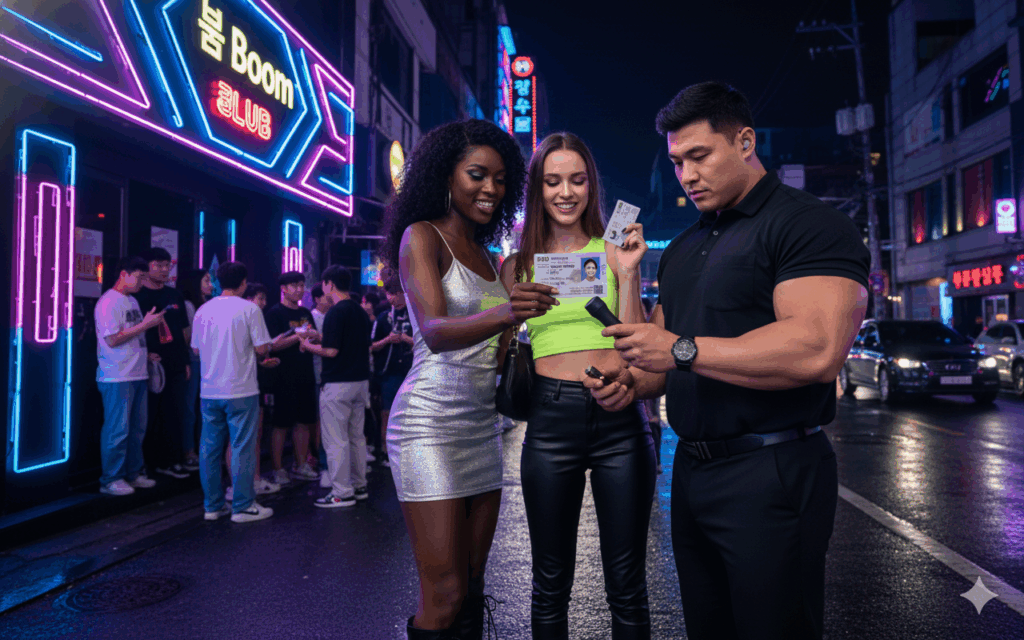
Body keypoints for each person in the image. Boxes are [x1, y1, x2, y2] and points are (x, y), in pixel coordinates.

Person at [591, 81, 870, 640]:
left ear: (745, 141)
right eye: (676, 162)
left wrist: (681, 351)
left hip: (772, 467)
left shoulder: (808, 224)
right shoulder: (688, 246)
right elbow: (655, 363)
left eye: (699, 156)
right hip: (693, 472)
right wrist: (627, 292)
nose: (687, 175)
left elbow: (816, 349)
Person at [381, 119, 548, 640]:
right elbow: (432, 330)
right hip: (428, 424)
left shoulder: (489, 256)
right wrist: (506, 313)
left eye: (500, 180)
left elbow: (499, 350)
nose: (491, 190)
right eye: (477, 175)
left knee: (473, 586)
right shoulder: (421, 236)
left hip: (482, 428)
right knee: (446, 592)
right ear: (444, 175)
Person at [500, 132, 655, 640]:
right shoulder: (516, 263)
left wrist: (629, 275)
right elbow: (500, 345)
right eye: (552, 181)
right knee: (549, 585)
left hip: (619, 418)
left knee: (628, 584)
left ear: (592, 185)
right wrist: (509, 314)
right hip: (549, 420)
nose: (566, 192)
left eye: (577, 179)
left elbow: (638, 343)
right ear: (537, 189)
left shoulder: (615, 251)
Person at [191, 262, 277, 523]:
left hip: (209, 390)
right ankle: (242, 506)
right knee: (242, 447)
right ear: (243, 283)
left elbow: (195, 350)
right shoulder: (249, 309)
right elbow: (263, 348)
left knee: (209, 449)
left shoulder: (203, 310)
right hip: (241, 388)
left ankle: (213, 506)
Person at [299, 266, 371, 508]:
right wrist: (320, 338)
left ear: (329, 284)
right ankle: (359, 486)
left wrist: (308, 346)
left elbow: (331, 351)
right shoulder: (360, 311)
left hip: (337, 384)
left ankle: (341, 492)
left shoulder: (334, 312)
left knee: (336, 440)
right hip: (360, 382)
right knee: (356, 437)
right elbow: (347, 342)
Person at [95, 257, 166, 496]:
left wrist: (146, 355)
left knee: (137, 429)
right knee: (118, 429)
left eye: (145, 277)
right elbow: (112, 339)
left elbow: (131, 336)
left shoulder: (132, 301)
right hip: (116, 375)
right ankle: (111, 478)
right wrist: (145, 325)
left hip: (137, 372)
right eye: (140, 276)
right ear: (124, 274)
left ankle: (133, 473)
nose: (143, 282)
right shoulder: (108, 302)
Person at [134, 247, 192, 480]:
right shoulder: (137, 296)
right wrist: (145, 354)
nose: (164, 269)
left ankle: (173, 460)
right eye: (158, 265)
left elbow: (184, 331)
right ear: (146, 268)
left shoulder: (175, 295)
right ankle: (149, 464)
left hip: (176, 361)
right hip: (148, 363)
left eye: (167, 265)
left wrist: (186, 360)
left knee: (175, 411)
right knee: (149, 415)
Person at [265, 271, 320, 485]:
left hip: (306, 373)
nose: (299, 289)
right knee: (281, 423)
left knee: (304, 422)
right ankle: (278, 469)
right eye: (294, 286)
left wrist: (312, 337)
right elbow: (272, 345)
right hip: (283, 375)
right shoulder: (275, 313)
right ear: (283, 288)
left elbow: (313, 338)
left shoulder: (306, 312)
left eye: (301, 285)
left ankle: (301, 464)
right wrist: (298, 336)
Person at [237, 283, 281, 496]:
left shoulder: (212, 311)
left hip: (230, 384)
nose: (263, 303)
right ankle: (251, 482)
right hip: (246, 385)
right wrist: (271, 346)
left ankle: (240, 485)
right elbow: (262, 348)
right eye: (260, 298)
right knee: (250, 434)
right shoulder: (251, 314)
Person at [370, 273, 415, 469]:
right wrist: (388, 339)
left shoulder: (416, 314)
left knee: (411, 415)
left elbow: (427, 343)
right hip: (388, 374)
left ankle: (409, 453)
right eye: (388, 294)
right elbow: (372, 347)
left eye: (395, 293)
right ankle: (387, 453)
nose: (391, 298)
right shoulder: (382, 317)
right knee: (387, 415)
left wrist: (405, 338)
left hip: (412, 372)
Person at [179, 268, 215, 470]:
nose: (211, 285)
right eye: (207, 280)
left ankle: (203, 450)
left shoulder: (206, 304)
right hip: (195, 359)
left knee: (203, 408)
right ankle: (189, 451)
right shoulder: (189, 305)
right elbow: (189, 338)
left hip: (206, 360)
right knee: (190, 407)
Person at [310, 283, 332, 487]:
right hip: (316, 373)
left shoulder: (333, 315)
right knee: (318, 422)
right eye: (326, 296)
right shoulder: (312, 317)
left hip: (329, 374)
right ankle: (318, 460)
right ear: (317, 298)